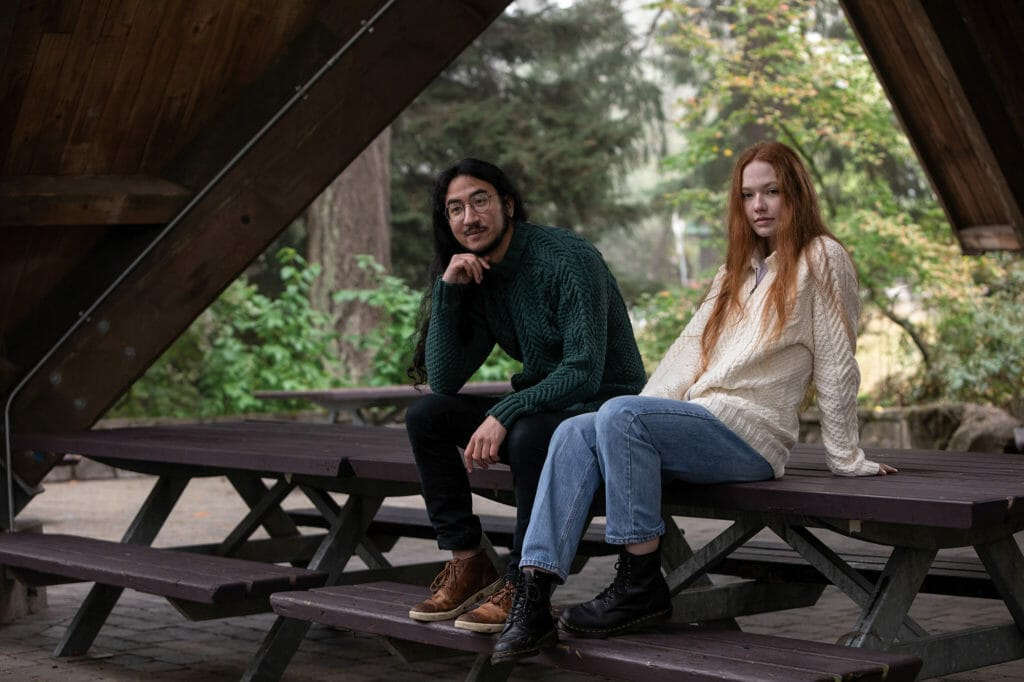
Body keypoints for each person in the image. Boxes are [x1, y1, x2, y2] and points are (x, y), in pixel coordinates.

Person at [491, 140, 898, 663]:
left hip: (753, 437)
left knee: (614, 415)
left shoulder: (823, 257)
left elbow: (839, 360)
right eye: (749, 195)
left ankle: (639, 582)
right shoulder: (735, 271)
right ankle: (533, 595)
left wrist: (846, 458)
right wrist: (619, 429)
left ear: (795, 193)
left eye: (772, 192)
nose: (759, 206)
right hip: (700, 422)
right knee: (576, 429)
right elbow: (685, 353)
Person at [405, 158, 646, 633]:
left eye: (480, 201)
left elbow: (583, 369)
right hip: (547, 405)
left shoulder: (565, 258)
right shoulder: (479, 274)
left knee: (528, 433)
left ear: (507, 205)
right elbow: (445, 380)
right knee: (426, 415)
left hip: (604, 408)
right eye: (455, 209)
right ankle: (469, 561)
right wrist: (447, 291)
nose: (469, 217)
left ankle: (522, 581)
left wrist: (506, 410)